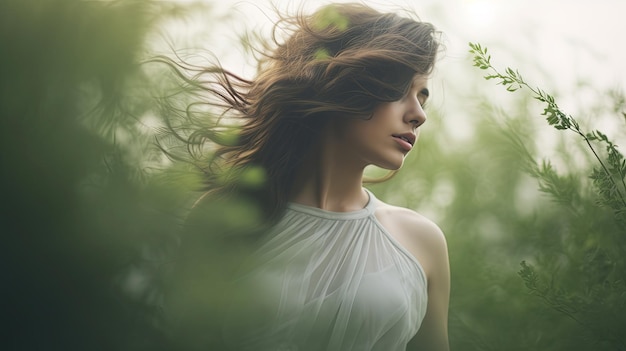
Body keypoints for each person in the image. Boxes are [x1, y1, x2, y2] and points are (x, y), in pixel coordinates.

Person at [166, 2, 450, 351]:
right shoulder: (224, 218)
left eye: (422, 96)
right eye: (400, 90)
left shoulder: (421, 241)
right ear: (340, 84)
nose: (418, 114)